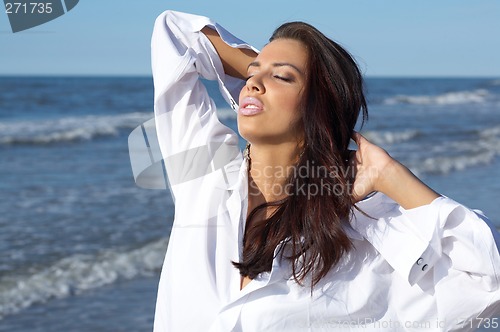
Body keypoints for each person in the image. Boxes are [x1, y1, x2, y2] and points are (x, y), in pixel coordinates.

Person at [148, 10, 500, 331]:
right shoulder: (203, 176)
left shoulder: (361, 238)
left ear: (318, 106)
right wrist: (268, 76)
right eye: (251, 74)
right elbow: (175, 34)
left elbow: (489, 277)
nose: (252, 83)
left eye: (283, 77)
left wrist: (390, 176)